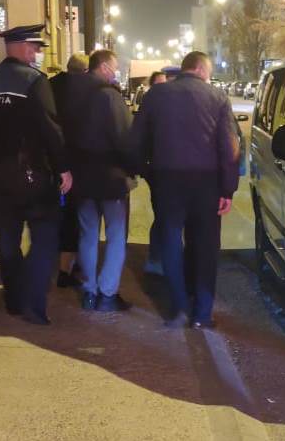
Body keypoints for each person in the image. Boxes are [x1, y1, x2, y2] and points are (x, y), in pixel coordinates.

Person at [130, 50, 239, 329]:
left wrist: (147, 172)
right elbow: (229, 148)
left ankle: (178, 306)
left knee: (170, 240)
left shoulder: (156, 95)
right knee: (205, 245)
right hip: (206, 183)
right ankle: (202, 312)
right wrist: (228, 189)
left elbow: (137, 139)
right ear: (201, 69)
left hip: (167, 180)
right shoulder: (218, 97)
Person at [0, 24, 72, 325]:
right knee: (45, 238)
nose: (37, 53)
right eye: (35, 47)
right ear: (22, 47)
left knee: (8, 241)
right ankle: (34, 305)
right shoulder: (34, 81)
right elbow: (51, 130)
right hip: (32, 176)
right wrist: (64, 168)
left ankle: (13, 300)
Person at [71, 49, 135, 312]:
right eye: (115, 67)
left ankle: (89, 291)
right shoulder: (110, 96)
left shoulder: (72, 93)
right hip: (111, 177)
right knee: (116, 234)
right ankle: (107, 293)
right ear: (105, 67)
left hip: (82, 176)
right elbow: (124, 138)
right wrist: (133, 168)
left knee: (87, 234)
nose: (115, 72)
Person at [50, 52, 91, 288]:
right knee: (75, 216)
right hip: (76, 161)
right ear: (85, 71)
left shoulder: (50, 85)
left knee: (59, 213)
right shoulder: (87, 89)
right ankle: (67, 269)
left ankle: (59, 262)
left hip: (51, 159)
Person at [142, 69, 167, 275]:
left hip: (169, 171)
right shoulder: (149, 106)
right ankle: (156, 259)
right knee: (161, 215)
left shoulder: (172, 105)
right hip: (156, 171)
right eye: (158, 84)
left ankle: (163, 257)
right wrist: (144, 169)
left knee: (167, 216)